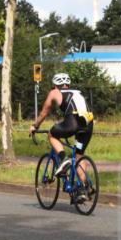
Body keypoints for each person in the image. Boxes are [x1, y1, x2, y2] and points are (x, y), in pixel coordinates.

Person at [30, 73, 94, 201]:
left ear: (55, 85)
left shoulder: (54, 92)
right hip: (88, 125)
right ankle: (82, 189)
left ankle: (64, 159)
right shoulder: (78, 92)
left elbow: (44, 112)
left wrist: (35, 126)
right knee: (79, 156)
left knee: (52, 134)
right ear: (68, 84)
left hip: (72, 123)